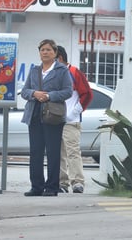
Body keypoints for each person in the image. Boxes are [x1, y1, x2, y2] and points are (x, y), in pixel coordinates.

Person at [21, 39, 73, 197]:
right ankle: (36, 186)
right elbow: (24, 91)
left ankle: (51, 187)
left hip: (53, 116)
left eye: (49, 50)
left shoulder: (62, 70)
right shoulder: (34, 70)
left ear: (55, 53)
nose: (45, 52)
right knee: (35, 152)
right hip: (34, 114)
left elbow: (68, 91)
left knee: (53, 152)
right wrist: (34, 94)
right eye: (42, 49)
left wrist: (49, 96)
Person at [57, 45, 93, 193]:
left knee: (72, 152)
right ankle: (61, 183)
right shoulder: (53, 74)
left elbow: (87, 94)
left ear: (59, 58)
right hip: (56, 120)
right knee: (58, 154)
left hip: (71, 122)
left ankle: (77, 182)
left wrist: (74, 112)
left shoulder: (74, 72)